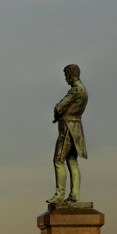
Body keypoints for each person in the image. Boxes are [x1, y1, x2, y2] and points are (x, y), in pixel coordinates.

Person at [50, 64, 88, 204]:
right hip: (77, 130)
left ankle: (59, 194)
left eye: (66, 76)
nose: (66, 79)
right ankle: (74, 195)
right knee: (72, 161)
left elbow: (60, 107)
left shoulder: (75, 90)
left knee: (58, 160)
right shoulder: (84, 91)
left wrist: (57, 111)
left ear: (71, 75)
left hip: (67, 128)